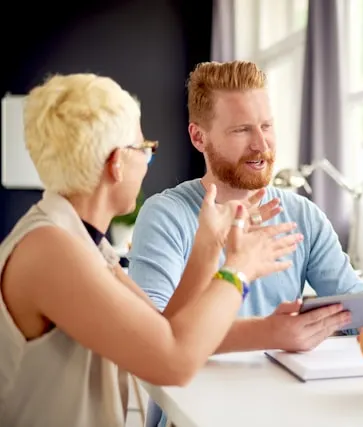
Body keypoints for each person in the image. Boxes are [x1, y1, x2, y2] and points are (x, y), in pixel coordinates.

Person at [0, 73, 302, 426]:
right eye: (145, 150)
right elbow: (173, 363)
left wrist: (209, 245)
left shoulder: (85, 244)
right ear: (116, 163)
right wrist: (240, 269)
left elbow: (165, 329)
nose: (147, 161)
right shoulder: (52, 252)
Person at [127, 60, 363, 426]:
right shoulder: (165, 215)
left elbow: (352, 309)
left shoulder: (301, 214)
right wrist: (269, 331)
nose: (261, 145)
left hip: (286, 408)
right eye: (242, 130)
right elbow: (155, 336)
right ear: (199, 137)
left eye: (267, 126)